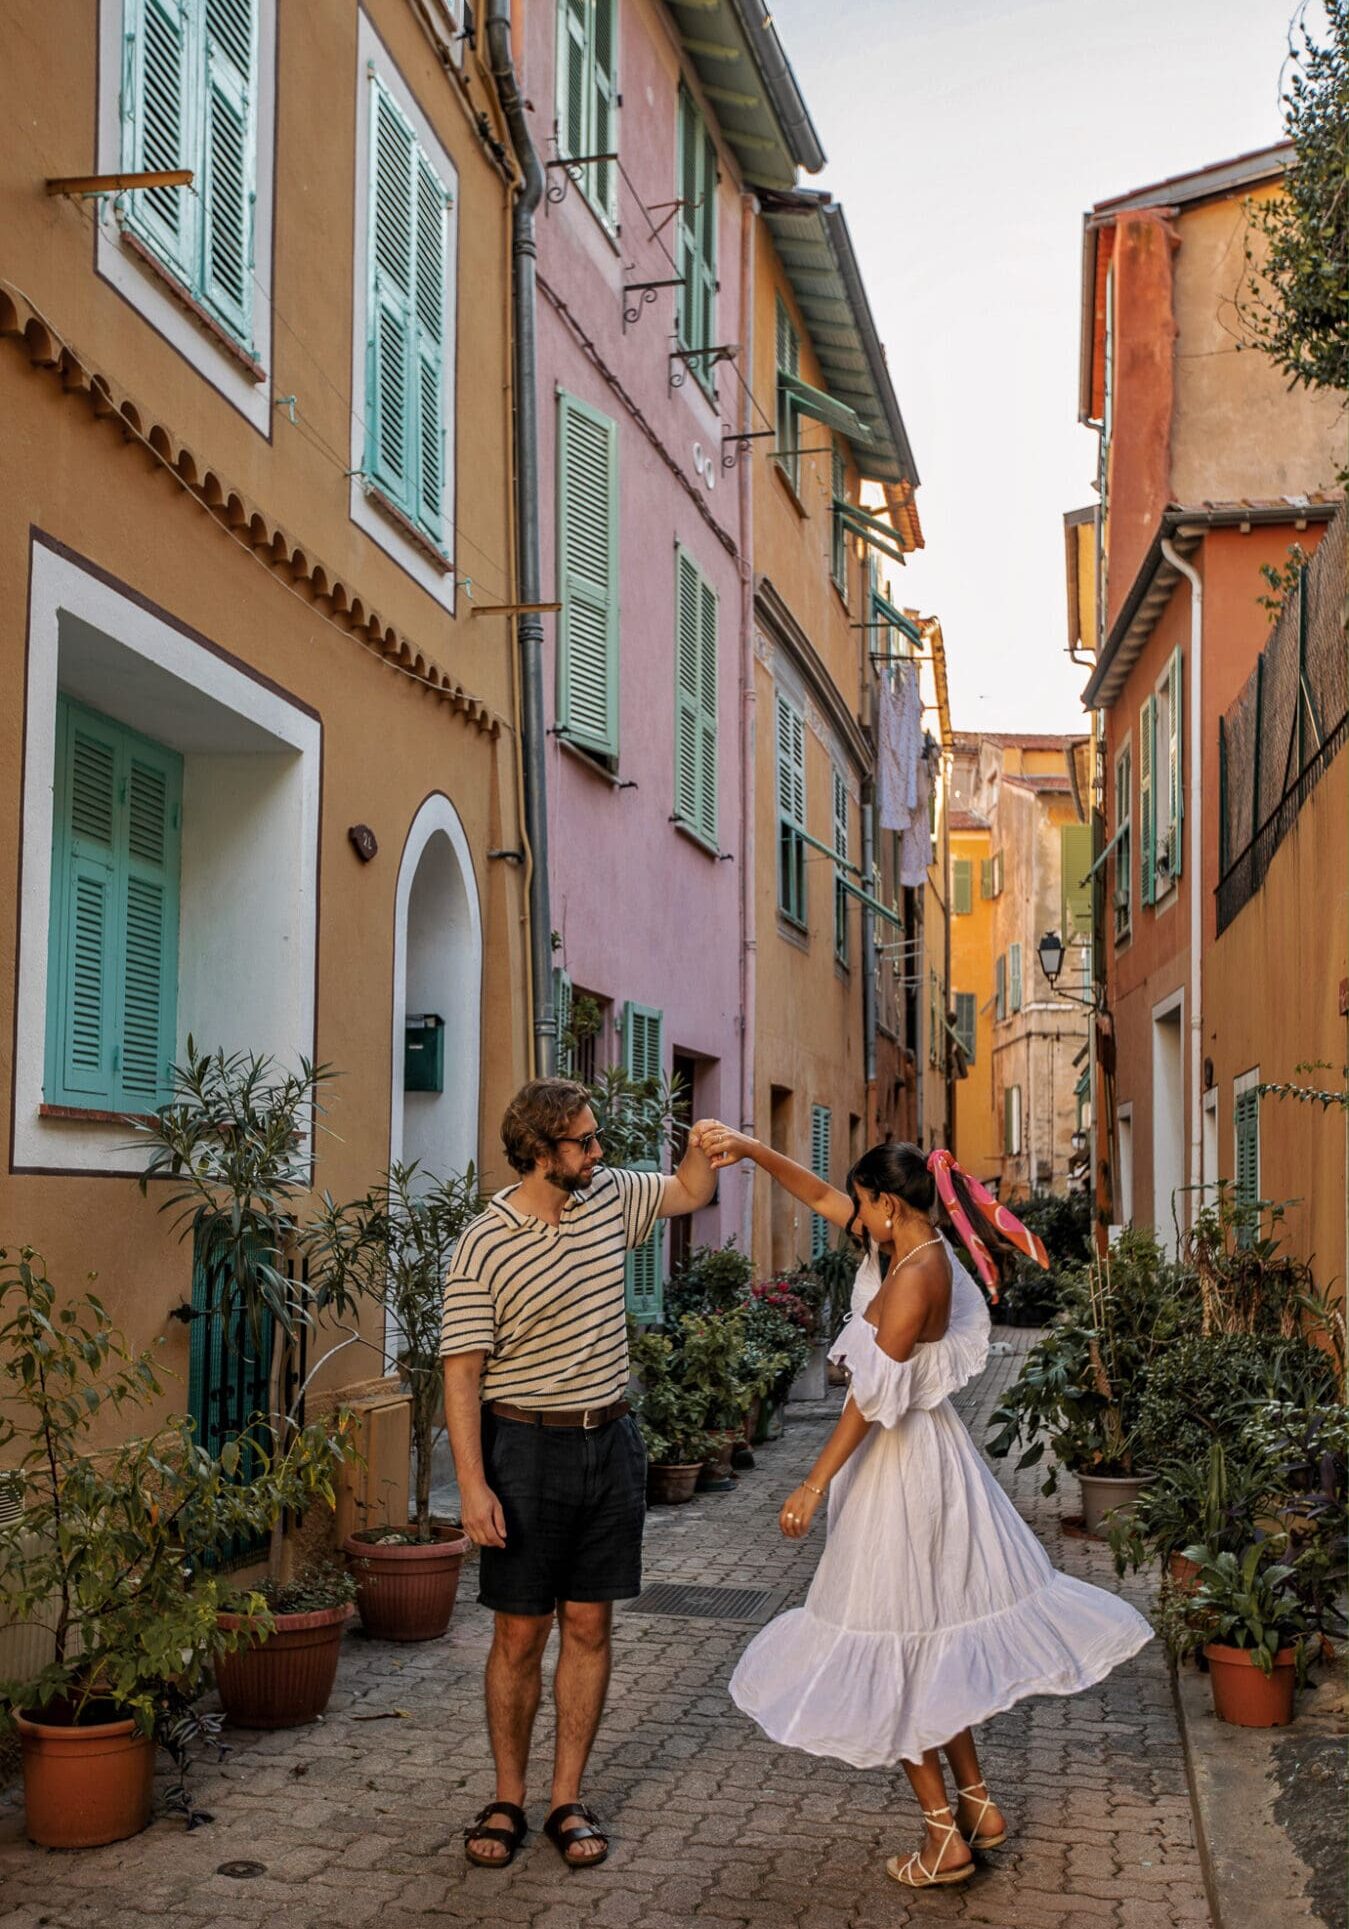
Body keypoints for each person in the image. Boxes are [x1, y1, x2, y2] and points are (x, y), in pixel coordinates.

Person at [700, 1127, 1153, 1891]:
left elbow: (869, 1401)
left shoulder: (913, 1277)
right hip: (924, 1462)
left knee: (895, 1641)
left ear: (886, 1202)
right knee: (929, 1638)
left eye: (862, 1202)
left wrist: (810, 1483)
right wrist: (751, 1148)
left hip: (901, 1472)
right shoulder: (910, 1248)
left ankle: (943, 1836)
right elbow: (817, 1195)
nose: (852, 1215)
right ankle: (976, 1805)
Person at [441, 1077, 719, 1872]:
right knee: (520, 1632)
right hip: (523, 1448)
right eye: (584, 1141)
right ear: (538, 1151)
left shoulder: (611, 1198)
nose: (599, 1152)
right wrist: (471, 1484)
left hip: (610, 1442)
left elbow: (691, 1189)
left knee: (590, 1625)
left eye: (598, 1139)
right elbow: (462, 1373)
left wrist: (704, 1146)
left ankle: (566, 1798)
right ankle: (507, 1796)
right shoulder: (483, 1242)